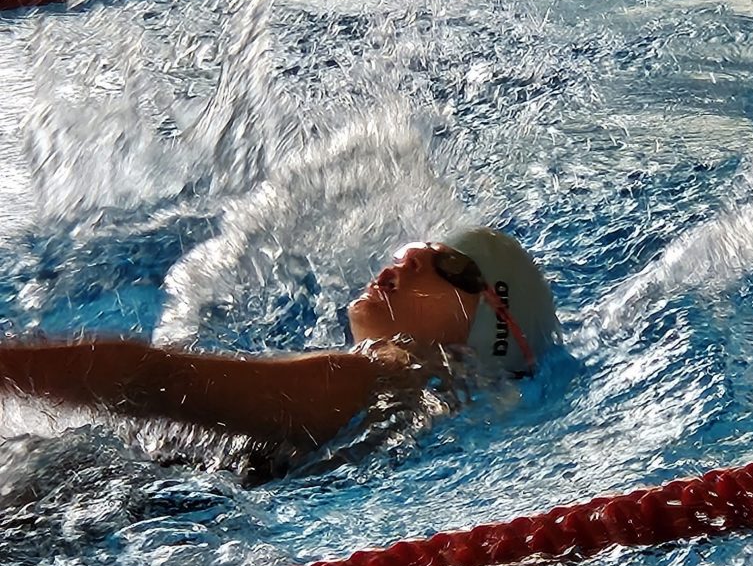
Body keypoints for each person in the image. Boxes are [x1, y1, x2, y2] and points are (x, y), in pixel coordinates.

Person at [0, 228, 560, 473]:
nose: (410, 258)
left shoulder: (388, 379)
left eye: (451, 266)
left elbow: (147, 379)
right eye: (416, 248)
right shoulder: (429, 400)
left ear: (496, 320)